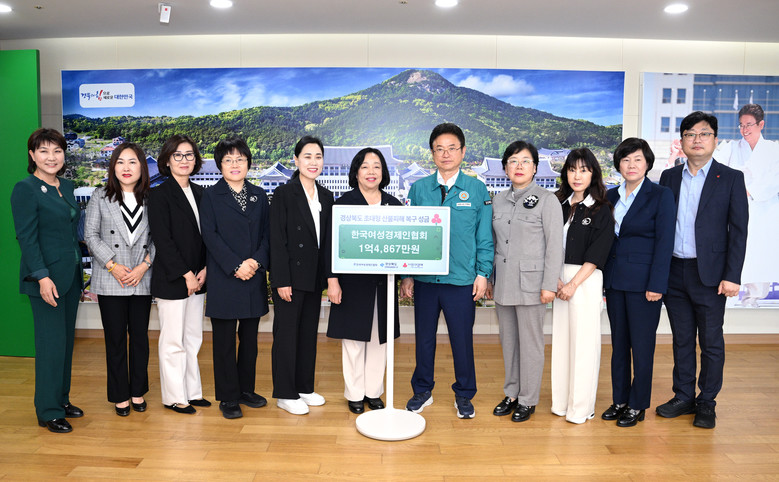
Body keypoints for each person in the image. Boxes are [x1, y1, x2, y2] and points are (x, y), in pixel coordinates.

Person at [657, 111, 748, 429]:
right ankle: (683, 396)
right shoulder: (669, 177)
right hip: (674, 270)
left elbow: (738, 231)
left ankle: (707, 401)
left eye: (704, 133)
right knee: (681, 339)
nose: (697, 139)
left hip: (710, 274)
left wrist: (732, 275)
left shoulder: (731, 177)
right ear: (681, 141)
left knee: (710, 341)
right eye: (690, 134)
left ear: (715, 140)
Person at [400, 123, 493, 419]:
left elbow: (484, 236)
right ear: (432, 154)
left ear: (463, 152)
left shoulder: (477, 189)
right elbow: (409, 235)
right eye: (439, 149)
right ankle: (422, 390)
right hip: (426, 280)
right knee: (424, 339)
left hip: (461, 280)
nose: (446, 154)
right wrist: (407, 275)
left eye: (452, 148)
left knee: (461, 341)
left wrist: (483, 274)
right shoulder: (419, 189)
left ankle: (464, 394)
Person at [11, 128, 85, 433]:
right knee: (50, 345)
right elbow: (26, 238)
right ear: (32, 155)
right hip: (46, 280)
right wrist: (42, 277)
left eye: (57, 151)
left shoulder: (66, 186)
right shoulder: (25, 189)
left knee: (65, 344)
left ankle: (61, 400)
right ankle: (48, 410)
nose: (51, 157)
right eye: (43, 151)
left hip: (70, 277)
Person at [487, 141, 563, 423]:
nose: (519, 166)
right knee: (508, 342)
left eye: (525, 161)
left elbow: (554, 246)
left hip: (532, 285)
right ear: (505, 168)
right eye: (513, 161)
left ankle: (528, 399)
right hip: (504, 282)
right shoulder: (497, 200)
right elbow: (494, 243)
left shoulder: (547, 200)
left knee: (530, 344)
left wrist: (549, 285)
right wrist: (491, 278)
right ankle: (512, 393)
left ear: (535, 168)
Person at [601, 138, 675, 427]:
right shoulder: (610, 195)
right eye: (625, 160)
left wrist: (657, 284)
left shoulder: (660, 195)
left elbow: (665, 242)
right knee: (619, 344)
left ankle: (637, 404)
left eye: (637, 159)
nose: (631, 165)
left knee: (642, 347)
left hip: (645, 284)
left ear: (647, 164)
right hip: (614, 281)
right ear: (618, 164)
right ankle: (619, 400)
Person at [326, 148, 402, 414]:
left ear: (384, 172)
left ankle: (373, 392)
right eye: (365, 166)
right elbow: (330, 246)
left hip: (383, 283)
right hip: (352, 284)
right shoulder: (343, 204)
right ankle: (355, 394)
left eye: (377, 166)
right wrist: (332, 280)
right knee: (354, 341)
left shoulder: (394, 205)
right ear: (356, 172)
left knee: (380, 340)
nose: (371, 172)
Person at [199, 137, 271, 419]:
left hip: (253, 275)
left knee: (250, 341)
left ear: (248, 163)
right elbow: (210, 236)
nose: (235, 164)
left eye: (240, 159)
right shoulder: (210, 196)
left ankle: (246, 390)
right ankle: (228, 397)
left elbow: (267, 235)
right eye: (228, 160)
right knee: (224, 342)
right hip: (225, 277)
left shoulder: (259, 195)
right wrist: (235, 265)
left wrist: (255, 262)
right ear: (220, 165)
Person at [84, 142, 154, 417]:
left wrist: (144, 266)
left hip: (140, 278)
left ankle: (138, 391)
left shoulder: (151, 198)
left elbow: (159, 237)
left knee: (140, 339)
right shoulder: (100, 196)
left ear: (141, 167)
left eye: (132, 162)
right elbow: (90, 235)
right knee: (114, 340)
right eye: (121, 162)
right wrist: (112, 265)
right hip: (111, 278)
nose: (126, 167)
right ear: (113, 167)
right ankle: (120, 395)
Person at [270, 136, 336, 415]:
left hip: (313, 276)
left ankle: (304, 387)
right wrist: (281, 280)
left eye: (318, 157)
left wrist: (329, 277)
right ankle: (285, 393)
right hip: (290, 278)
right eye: (307, 156)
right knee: (286, 336)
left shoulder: (326, 196)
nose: (313, 162)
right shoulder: (284, 194)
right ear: (296, 160)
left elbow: (328, 241)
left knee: (308, 334)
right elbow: (276, 240)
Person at [550, 148, 614, 424]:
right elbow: (548, 244)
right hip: (558, 278)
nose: (577, 176)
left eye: (584, 170)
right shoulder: (558, 205)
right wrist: (555, 279)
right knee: (562, 343)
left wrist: (573, 284)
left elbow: (599, 252)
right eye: (572, 169)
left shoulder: (601, 208)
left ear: (593, 174)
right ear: (565, 173)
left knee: (584, 345)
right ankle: (561, 403)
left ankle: (581, 407)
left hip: (585, 280)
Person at [148, 134, 210, 414]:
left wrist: (205, 268)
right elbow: (163, 240)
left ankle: (192, 392)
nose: (184, 160)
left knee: (193, 338)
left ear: (195, 160)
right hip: (173, 278)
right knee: (173, 340)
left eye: (189, 155)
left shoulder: (201, 193)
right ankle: (174, 396)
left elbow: (207, 237)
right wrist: (186, 274)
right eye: (178, 155)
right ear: (167, 160)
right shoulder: (159, 195)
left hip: (199, 277)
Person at [714, 104, 779, 307]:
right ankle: (729, 300)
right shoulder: (731, 147)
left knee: (760, 254)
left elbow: (774, 179)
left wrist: (749, 191)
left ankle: (753, 300)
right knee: (735, 251)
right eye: (741, 125)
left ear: (761, 124)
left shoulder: (773, 149)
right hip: (734, 209)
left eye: (749, 124)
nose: (744, 129)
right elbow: (716, 167)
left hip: (763, 211)